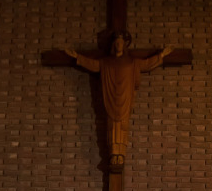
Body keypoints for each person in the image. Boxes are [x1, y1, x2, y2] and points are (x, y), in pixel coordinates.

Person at [65, 33, 173, 166]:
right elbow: (93, 64)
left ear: (124, 45)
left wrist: (161, 56)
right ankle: (112, 153)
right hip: (111, 99)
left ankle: (121, 154)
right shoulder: (106, 62)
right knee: (112, 127)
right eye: (116, 43)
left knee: (122, 126)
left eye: (121, 43)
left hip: (125, 99)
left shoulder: (132, 62)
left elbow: (146, 64)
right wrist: (78, 57)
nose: (118, 45)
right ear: (113, 45)